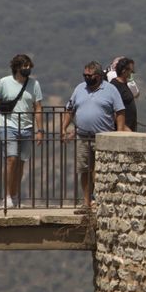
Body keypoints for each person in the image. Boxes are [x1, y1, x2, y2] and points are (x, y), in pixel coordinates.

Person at [62, 61, 126, 208]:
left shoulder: (110, 90)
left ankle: (98, 200)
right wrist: (63, 128)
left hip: (103, 137)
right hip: (83, 137)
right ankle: (86, 202)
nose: (86, 78)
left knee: (100, 170)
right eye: (84, 75)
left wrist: (121, 132)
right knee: (84, 170)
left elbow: (120, 111)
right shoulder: (79, 88)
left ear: (97, 76)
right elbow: (69, 109)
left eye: (89, 75)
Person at [0, 53, 43, 209]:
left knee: (20, 163)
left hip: (27, 127)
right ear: (17, 67)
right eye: (24, 66)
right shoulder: (4, 82)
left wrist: (40, 130)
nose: (27, 69)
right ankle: (7, 196)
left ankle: (14, 195)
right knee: (11, 159)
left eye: (29, 66)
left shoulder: (34, 84)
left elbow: (38, 107)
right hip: (8, 125)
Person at [108, 57, 139, 132]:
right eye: (131, 71)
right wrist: (124, 127)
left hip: (130, 128)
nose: (132, 73)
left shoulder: (125, 85)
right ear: (124, 71)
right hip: (123, 130)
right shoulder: (114, 86)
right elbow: (111, 109)